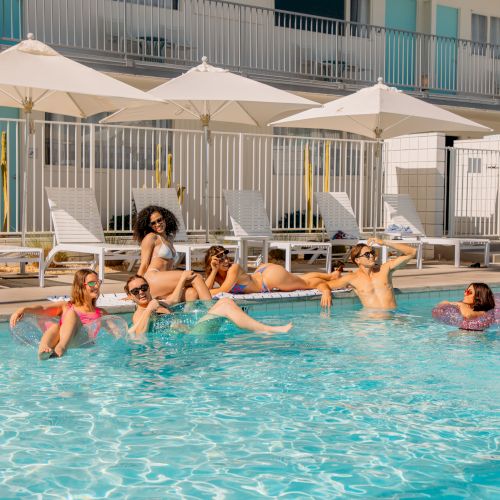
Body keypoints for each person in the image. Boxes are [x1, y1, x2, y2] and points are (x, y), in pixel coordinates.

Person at [125, 275, 292, 335]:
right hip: (191, 338)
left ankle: (263, 329)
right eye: (135, 291)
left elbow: (174, 299)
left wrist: (183, 279)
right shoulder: (140, 313)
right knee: (225, 306)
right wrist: (149, 311)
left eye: (144, 287)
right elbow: (138, 333)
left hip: (191, 331)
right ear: (130, 297)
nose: (141, 292)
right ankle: (266, 329)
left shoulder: (157, 302)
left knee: (225, 301)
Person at [10, 269, 107, 360]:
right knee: (56, 326)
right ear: (81, 286)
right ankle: (44, 349)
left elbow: (115, 331)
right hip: (62, 341)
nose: (97, 286)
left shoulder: (101, 313)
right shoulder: (66, 306)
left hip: (82, 343)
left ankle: (60, 349)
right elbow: (43, 309)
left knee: (72, 314)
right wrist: (23, 309)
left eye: (98, 282)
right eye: (92, 283)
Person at [203, 246, 339, 308]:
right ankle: (330, 275)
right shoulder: (216, 273)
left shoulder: (234, 268)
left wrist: (326, 291)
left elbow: (224, 289)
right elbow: (206, 288)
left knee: (306, 283)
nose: (226, 261)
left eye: (225, 256)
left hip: (270, 279)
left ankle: (327, 283)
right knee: (300, 278)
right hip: (260, 272)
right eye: (220, 259)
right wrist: (214, 271)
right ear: (213, 262)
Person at [313, 238, 417, 310]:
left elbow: (412, 252)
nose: (371, 256)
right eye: (367, 254)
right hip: (371, 322)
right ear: (357, 260)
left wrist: (384, 242)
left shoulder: (385, 269)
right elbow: (321, 284)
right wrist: (326, 291)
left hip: (393, 318)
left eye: (372, 253)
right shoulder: (352, 278)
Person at [134, 205, 212, 302]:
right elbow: (144, 265)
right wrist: (134, 290)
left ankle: (189, 317)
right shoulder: (151, 237)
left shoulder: (169, 239)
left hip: (164, 283)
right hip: (153, 279)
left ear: (165, 219)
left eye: (159, 220)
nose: (157, 224)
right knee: (196, 276)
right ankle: (212, 311)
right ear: (149, 226)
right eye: (153, 223)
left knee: (192, 293)